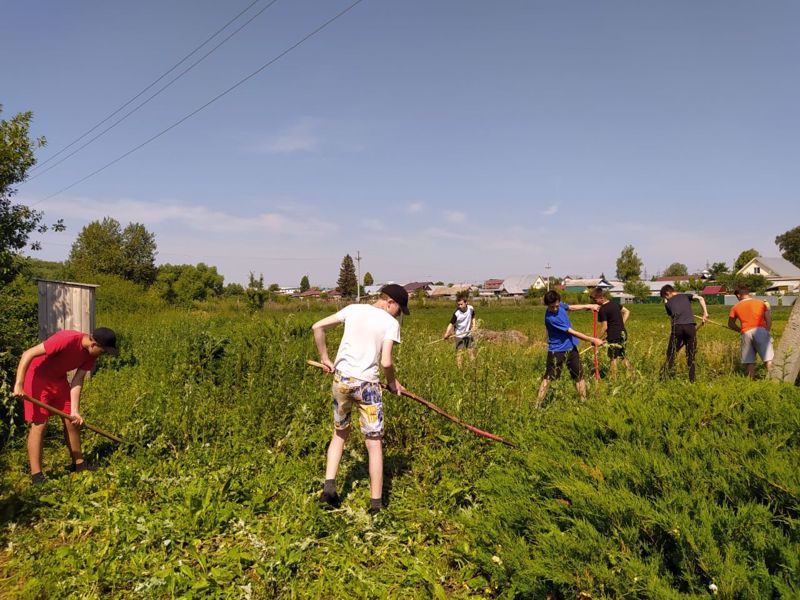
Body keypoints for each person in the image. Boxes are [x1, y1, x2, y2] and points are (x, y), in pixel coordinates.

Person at [311, 283, 409, 515]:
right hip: (368, 387)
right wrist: (393, 382)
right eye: (399, 309)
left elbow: (317, 327)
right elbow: (386, 362)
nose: (398, 315)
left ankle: (329, 492)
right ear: (390, 302)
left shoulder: (353, 309)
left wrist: (325, 358)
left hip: (342, 381)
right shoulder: (389, 323)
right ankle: (376, 506)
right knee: (373, 444)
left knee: (339, 433)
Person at [13, 327, 119, 484]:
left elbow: (78, 380)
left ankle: (79, 465)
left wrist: (75, 411)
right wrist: (19, 384)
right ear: (93, 344)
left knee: (71, 420)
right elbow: (28, 353)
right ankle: (37, 476)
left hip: (58, 380)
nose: (102, 355)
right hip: (36, 377)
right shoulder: (67, 339)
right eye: (103, 351)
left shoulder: (90, 355)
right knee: (40, 424)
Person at [536, 290, 604, 407]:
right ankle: (537, 405)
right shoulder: (551, 318)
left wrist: (588, 305)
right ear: (547, 305)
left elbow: (571, 307)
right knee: (548, 378)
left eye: (557, 305)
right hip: (556, 351)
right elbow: (572, 332)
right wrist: (592, 340)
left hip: (571, 348)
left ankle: (584, 402)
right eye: (552, 307)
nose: (555, 309)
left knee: (579, 375)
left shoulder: (560, 305)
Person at [660, 285, 708, 382]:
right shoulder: (685, 296)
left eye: (665, 297)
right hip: (690, 327)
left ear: (667, 293)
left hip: (677, 327)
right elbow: (701, 298)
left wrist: (674, 332)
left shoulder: (668, 304)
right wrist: (705, 314)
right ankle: (692, 380)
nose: (666, 299)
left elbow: (671, 320)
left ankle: (665, 378)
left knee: (671, 353)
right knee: (690, 354)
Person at [727, 286, 773, 378]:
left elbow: (730, 324)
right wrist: (766, 330)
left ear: (739, 295)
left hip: (746, 333)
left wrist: (741, 330)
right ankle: (774, 380)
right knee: (768, 358)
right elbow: (768, 319)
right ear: (748, 293)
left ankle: (750, 381)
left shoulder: (735, 307)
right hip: (761, 330)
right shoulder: (761, 303)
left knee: (749, 361)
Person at [589, 287, 632, 376]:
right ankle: (632, 374)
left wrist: (596, 339)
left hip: (613, 335)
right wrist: (621, 324)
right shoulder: (615, 304)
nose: (595, 302)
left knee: (613, 358)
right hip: (622, 333)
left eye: (595, 300)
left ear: (601, 298)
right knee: (622, 356)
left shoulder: (603, 309)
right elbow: (627, 312)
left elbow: (604, 327)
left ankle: (614, 379)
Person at [442, 293, 476, 367]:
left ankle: (474, 368)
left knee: (471, 351)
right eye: (458, 305)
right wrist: (447, 333)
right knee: (459, 353)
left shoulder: (470, 308)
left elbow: (473, 316)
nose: (459, 306)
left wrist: (474, 326)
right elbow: (451, 324)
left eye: (461, 304)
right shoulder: (457, 313)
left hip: (468, 334)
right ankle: (459, 369)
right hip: (459, 335)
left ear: (466, 303)